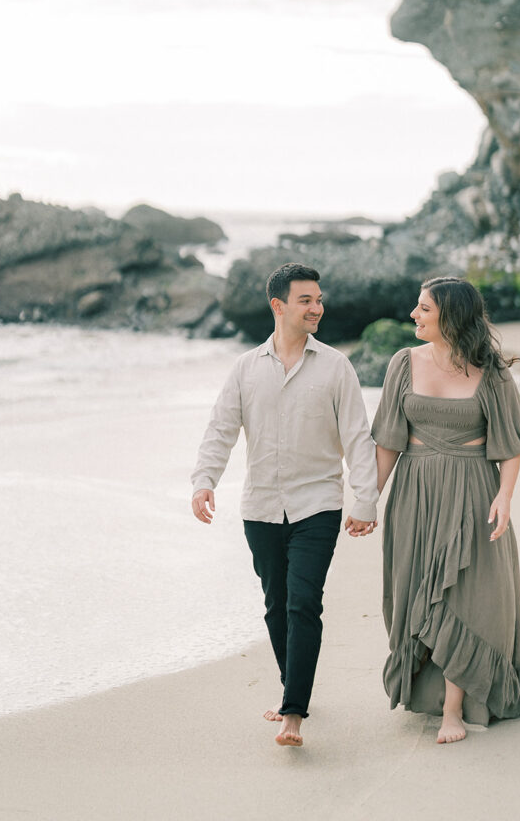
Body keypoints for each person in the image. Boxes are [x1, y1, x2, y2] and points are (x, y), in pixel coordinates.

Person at [191, 262, 378, 748]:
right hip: (260, 509)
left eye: (319, 300)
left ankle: (294, 711)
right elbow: (221, 429)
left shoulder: (336, 366)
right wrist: (203, 481)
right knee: (276, 607)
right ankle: (291, 687)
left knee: (302, 604)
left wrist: (365, 500)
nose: (318, 308)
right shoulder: (246, 368)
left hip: (318, 505)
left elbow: (358, 438)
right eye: (306, 300)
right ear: (279, 306)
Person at [372, 276, 520, 744]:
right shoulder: (402, 364)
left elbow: (509, 446)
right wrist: (369, 501)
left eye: (423, 308)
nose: (413, 315)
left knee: (466, 599)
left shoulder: (493, 372)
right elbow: (388, 440)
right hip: (416, 494)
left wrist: (505, 496)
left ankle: (453, 711)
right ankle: (431, 696)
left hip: (474, 493)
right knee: (418, 594)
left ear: (450, 316)